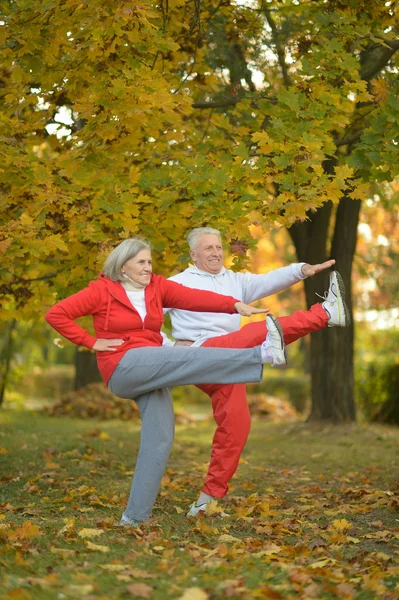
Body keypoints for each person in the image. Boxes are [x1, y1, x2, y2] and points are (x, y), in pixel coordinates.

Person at [45, 237, 291, 527]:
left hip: (153, 369)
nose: (148, 267)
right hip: (123, 366)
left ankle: (134, 518)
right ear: (122, 266)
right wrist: (91, 341)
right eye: (141, 262)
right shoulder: (101, 291)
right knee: (185, 356)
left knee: (160, 438)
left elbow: (194, 297)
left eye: (150, 261)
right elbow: (56, 314)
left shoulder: (157, 287)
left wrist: (235, 305)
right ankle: (260, 354)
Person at [162, 227, 349, 517]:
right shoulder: (177, 283)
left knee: (237, 427)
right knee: (261, 329)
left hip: (230, 362)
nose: (216, 252)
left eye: (218, 247)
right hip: (200, 355)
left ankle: (205, 502)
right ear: (193, 254)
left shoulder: (235, 281)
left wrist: (302, 269)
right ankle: (324, 314)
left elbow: (269, 280)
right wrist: (170, 346)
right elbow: (144, 317)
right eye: (208, 248)